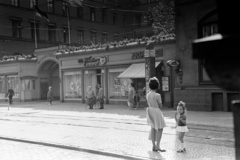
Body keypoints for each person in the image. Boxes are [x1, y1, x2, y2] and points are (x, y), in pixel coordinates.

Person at [146, 77, 166, 152]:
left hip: (150, 110)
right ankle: (158, 146)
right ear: (157, 86)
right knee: (160, 128)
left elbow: (148, 103)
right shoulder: (157, 95)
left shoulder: (148, 95)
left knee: (153, 128)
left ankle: (153, 146)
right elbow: (160, 105)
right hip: (156, 111)